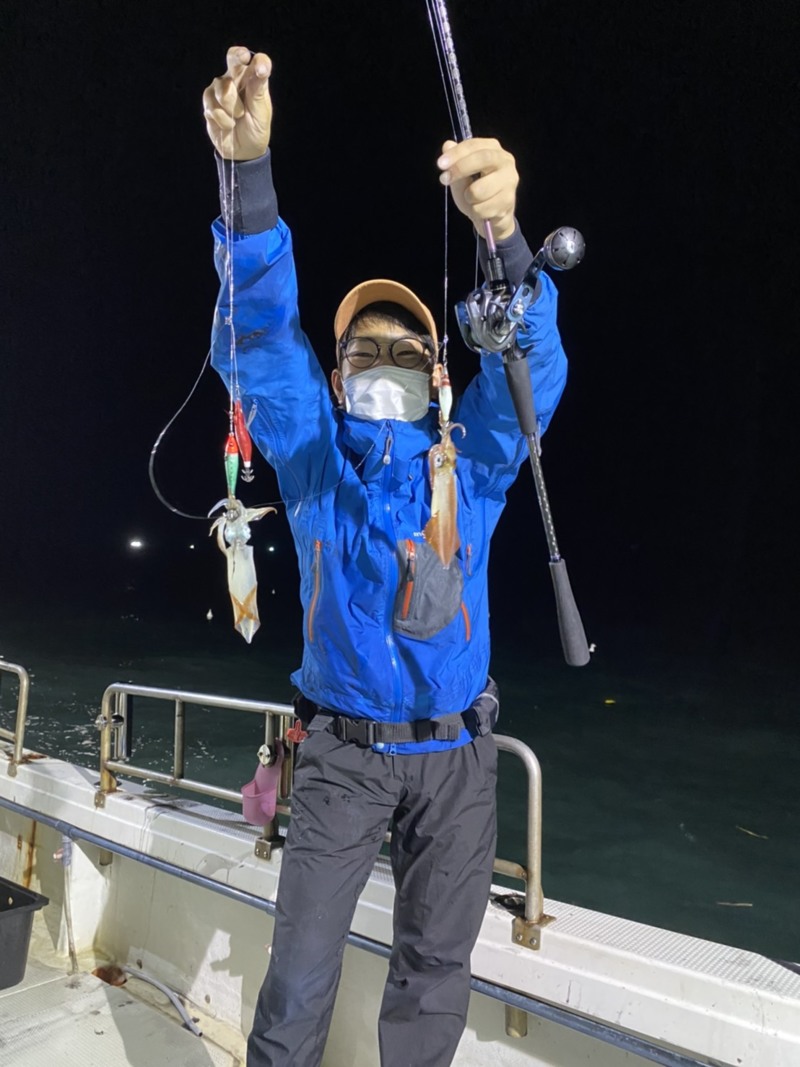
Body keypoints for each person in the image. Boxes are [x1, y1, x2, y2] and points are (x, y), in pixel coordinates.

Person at [203, 45, 568, 1067]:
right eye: (363, 351)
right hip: (340, 759)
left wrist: (504, 241)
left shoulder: (476, 463)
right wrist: (246, 179)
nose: (384, 363)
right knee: (298, 971)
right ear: (336, 374)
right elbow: (259, 341)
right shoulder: (313, 463)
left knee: (434, 972)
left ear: (439, 373)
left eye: (407, 351)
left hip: (458, 758)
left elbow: (532, 367)